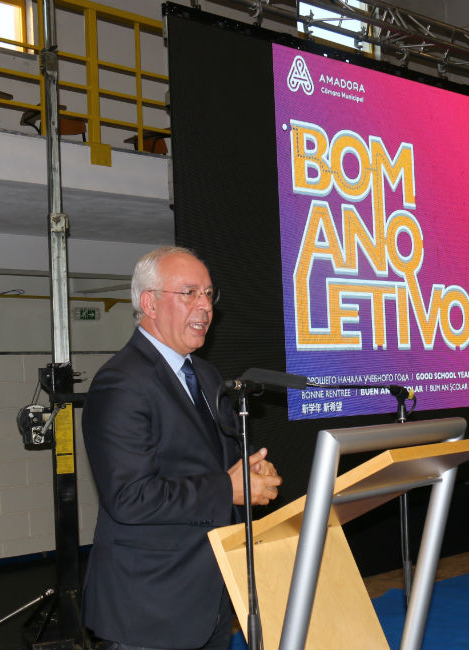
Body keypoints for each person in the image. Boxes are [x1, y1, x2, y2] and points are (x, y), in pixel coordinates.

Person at [82, 246, 282, 650]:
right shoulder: (121, 383)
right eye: (189, 293)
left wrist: (254, 469)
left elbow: (220, 460)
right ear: (149, 303)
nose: (205, 306)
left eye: (209, 294)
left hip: (207, 598)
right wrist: (229, 489)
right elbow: (129, 496)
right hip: (151, 607)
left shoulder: (205, 375)